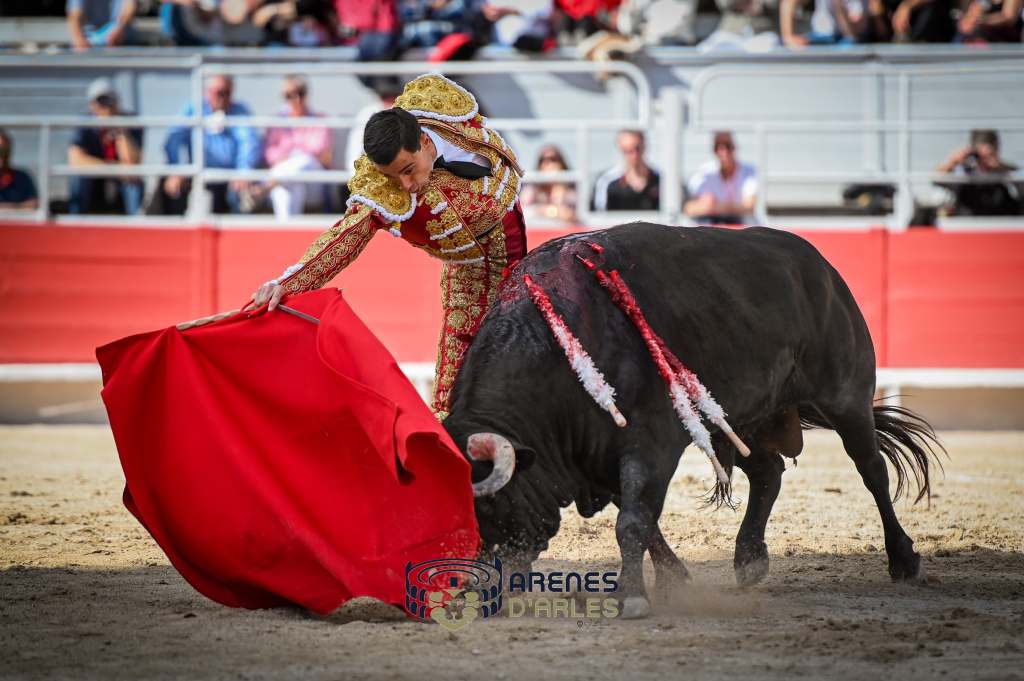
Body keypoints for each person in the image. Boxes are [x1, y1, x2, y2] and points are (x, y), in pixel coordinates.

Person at [252, 74, 527, 419]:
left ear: (425, 141)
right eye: (393, 176)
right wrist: (288, 284)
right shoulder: (382, 189)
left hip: (521, 250)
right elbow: (345, 237)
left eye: (408, 169)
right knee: (452, 395)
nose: (406, 185)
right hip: (473, 273)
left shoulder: (438, 104)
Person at [161, 75, 262, 215]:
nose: (223, 97)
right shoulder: (193, 110)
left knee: (242, 194)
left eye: (227, 93)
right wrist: (177, 169)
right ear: (207, 92)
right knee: (174, 188)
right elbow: (174, 139)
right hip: (198, 175)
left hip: (230, 178)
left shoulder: (240, 111)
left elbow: (249, 143)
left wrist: (243, 172)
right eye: (218, 93)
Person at [68, 77, 144, 216]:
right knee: (79, 177)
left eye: (110, 100)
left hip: (121, 176)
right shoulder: (84, 123)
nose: (106, 106)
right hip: (96, 173)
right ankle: (76, 221)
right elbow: (76, 160)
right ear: (92, 104)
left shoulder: (131, 121)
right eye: (101, 101)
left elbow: (132, 163)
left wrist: (120, 129)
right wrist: (113, 168)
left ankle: (136, 223)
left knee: (133, 180)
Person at [263, 75, 333, 221]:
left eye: (300, 93)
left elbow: (320, 153)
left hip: (313, 182)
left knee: (304, 160)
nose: (296, 99)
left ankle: (264, 187)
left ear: (306, 94)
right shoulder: (276, 122)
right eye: (290, 95)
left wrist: (289, 155)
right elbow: (270, 155)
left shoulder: (320, 120)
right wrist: (297, 154)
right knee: (289, 185)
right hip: (291, 178)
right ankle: (285, 228)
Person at [934, 130, 1021, 216]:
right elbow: (936, 179)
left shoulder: (1005, 173)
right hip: (966, 223)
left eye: (990, 155)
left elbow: (1020, 181)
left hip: (1003, 222)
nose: (984, 159)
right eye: (980, 155)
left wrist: (1001, 167)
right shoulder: (964, 175)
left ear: (997, 151)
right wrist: (953, 161)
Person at [684, 131, 759, 225]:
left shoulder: (748, 171)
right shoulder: (707, 172)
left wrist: (714, 206)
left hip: (744, 228)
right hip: (716, 228)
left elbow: (749, 206)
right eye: (718, 148)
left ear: (734, 148)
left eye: (727, 147)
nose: (723, 153)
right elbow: (689, 208)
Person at [592, 130, 660, 211]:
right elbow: (598, 214)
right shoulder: (605, 181)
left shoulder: (661, 180)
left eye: (637, 148)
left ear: (644, 146)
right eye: (628, 150)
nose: (634, 154)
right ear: (621, 149)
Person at [521, 144, 577, 223]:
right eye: (542, 160)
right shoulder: (532, 190)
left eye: (553, 159)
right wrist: (550, 211)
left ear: (561, 164)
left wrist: (558, 191)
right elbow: (522, 212)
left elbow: (574, 215)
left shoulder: (571, 191)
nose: (547, 163)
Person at [67, 0, 139, 48]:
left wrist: (120, 28)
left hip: (121, 40)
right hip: (88, 40)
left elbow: (129, 8)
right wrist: (78, 37)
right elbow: (75, 13)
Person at [0, 129, 39, 211]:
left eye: (4, 150)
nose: (2, 155)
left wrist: (9, 207)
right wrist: (19, 206)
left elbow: (33, 204)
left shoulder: (22, 178)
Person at [955, 0, 1022, 42]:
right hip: (977, 38)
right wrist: (968, 21)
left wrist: (983, 20)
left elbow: (1008, 18)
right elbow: (972, 12)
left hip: (1001, 41)